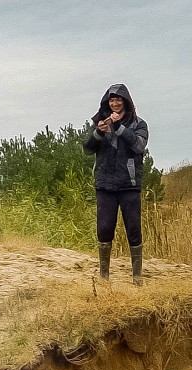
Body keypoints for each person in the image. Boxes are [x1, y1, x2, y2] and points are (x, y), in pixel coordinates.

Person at [84, 83, 149, 284]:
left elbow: (139, 146)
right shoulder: (100, 122)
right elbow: (87, 149)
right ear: (107, 102)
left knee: (133, 229)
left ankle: (137, 276)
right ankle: (104, 277)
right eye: (112, 100)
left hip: (129, 185)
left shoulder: (139, 124)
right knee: (104, 229)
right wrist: (99, 132)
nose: (115, 103)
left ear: (126, 102)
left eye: (119, 100)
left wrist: (119, 127)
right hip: (105, 185)